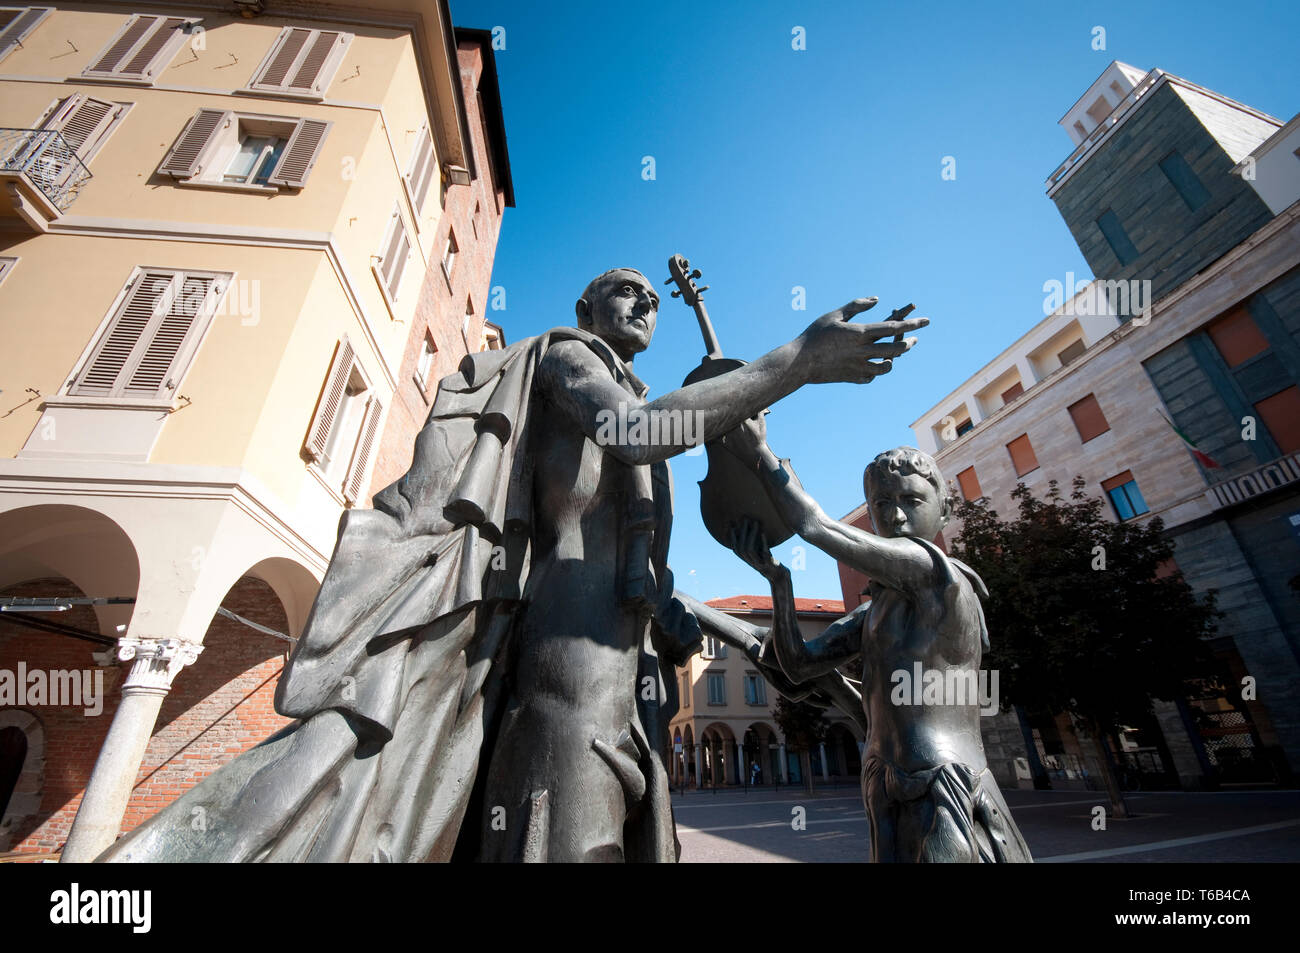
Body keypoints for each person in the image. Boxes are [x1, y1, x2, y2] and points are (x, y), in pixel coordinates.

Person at [98, 266, 926, 863]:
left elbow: (646, 585)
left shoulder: (630, 411)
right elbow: (636, 431)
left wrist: (748, 637)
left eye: (649, 296)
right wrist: (798, 361)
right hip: (568, 678)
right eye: (623, 288)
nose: (643, 301)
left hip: (621, 677)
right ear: (583, 306)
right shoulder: (572, 361)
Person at [726, 426, 1032, 863]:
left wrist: (759, 451)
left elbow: (814, 525)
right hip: (883, 786)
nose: (897, 517)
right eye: (882, 505)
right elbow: (799, 666)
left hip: (942, 786)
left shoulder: (938, 575)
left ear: (944, 512)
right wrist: (779, 582)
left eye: (912, 500)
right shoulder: (872, 612)